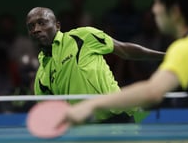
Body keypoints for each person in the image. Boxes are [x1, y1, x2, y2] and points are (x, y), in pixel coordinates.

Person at [60, 0, 188, 142]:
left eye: (158, 3)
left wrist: (91, 105)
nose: (153, 9)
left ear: (175, 11)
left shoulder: (187, 48)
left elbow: (152, 92)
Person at [26, 7, 165, 122]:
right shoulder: (41, 78)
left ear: (57, 25)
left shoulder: (81, 37)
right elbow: (54, 116)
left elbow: (125, 50)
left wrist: (164, 56)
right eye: (31, 26)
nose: (36, 29)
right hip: (88, 130)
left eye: (42, 23)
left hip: (123, 116)